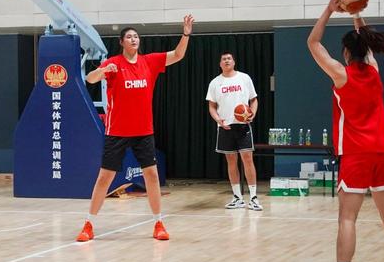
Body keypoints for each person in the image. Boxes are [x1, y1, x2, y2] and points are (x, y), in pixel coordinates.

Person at [307, 0, 384, 262]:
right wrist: (356, 13)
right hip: (383, 152)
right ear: (366, 50)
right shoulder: (375, 72)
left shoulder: (341, 74)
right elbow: (365, 44)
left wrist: (330, 9)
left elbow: (313, 43)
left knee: (347, 219)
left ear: (345, 52)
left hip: (356, 154)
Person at [76, 15, 194, 242]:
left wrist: (186, 34)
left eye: (136, 36)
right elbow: (90, 79)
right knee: (104, 178)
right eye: (129, 37)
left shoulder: (149, 62)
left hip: (143, 131)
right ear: (121, 42)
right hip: (117, 131)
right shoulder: (113, 63)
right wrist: (102, 72)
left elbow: (178, 55)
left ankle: (158, 223)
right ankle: (88, 224)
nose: (133, 39)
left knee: (152, 175)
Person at [206, 52, 262, 211]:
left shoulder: (244, 78)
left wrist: (252, 113)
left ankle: (253, 198)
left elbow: (254, 99)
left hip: (243, 126)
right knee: (231, 161)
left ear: (234, 62)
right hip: (225, 127)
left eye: (229, 58)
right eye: (223, 59)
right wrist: (218, 120)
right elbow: (212, 106)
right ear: (220, 64)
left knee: (248, 160)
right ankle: (237, 197)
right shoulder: (215, 83)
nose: (226, 61)